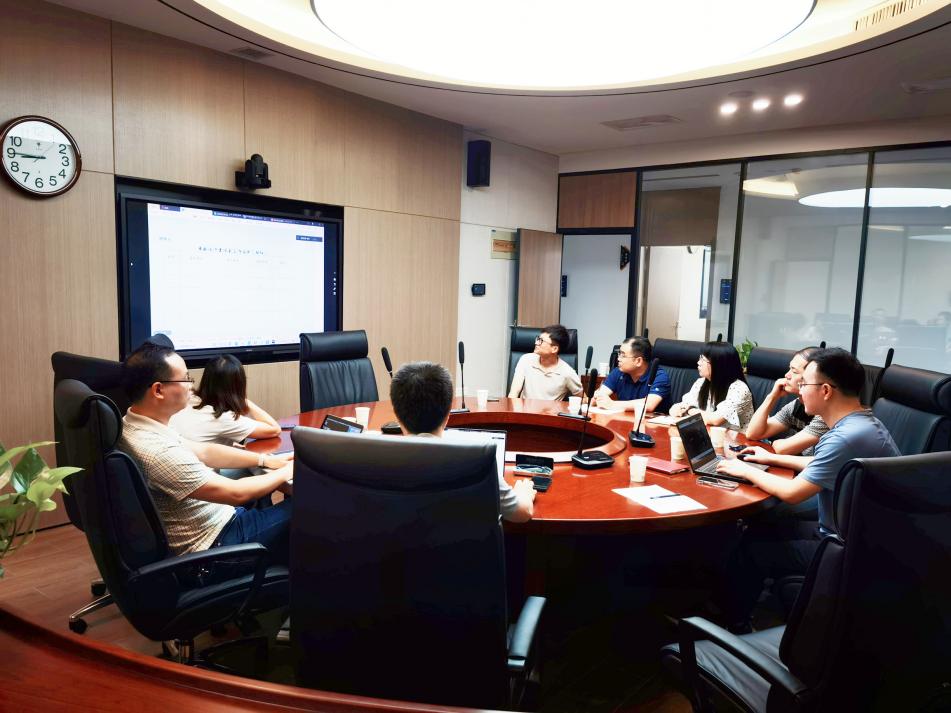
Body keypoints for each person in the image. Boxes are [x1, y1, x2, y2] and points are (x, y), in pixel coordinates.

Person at [715, 348, 900, 629]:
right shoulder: (862, 423)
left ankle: (734, 626)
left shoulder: (844, 437)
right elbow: (824, 463)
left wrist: (743, 470)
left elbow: (793, 493)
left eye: (804, 384)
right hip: (858, 533)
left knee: (752, 552)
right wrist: (770, 458)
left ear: (825, 390)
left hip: (850, 549)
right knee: (761, 528)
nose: (799, 390)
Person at [118, 344, 294, 560]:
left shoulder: (133, 424)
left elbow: (205, 451)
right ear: (158, 390)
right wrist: (289, 470)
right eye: (185, 379)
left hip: (214, 522)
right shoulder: (158, 452)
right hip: (215, 545)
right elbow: (237, 493)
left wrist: (265, 460)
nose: (191, 386)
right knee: (311, 503)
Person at [394, 361, 535, 523]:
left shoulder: (376, 458)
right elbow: (521, 513)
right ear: (448, 414)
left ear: (397, 416)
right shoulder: (478, 457)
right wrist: (524, 493)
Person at [170, 354, 281, 446]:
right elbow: (274, 429)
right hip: (203, 466)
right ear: (239, 385)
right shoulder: (222, 417)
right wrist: (245, 401)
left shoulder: (188, 399)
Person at [744, 346, 828, 458]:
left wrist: (779, 444)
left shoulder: (825, 414)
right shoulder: (797, 405)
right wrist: (772, 397)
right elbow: (752, 434)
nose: (786, 375)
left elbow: (781, 449)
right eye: (789, 369)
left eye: (794, 371)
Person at [669, 341, 754, 431]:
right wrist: (677, 409)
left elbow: (715, 420)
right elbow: (682, 405)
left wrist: (690, 410)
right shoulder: (701, 382)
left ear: (719, 364)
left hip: (738, 438)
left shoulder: (739, 389)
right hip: (709, 435)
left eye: (703, 359)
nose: (698, 362)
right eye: (699, 358)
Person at [594, 336, 671, 413]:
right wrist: (597, 398)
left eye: (623, 355)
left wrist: (612, 404)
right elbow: (599, 396)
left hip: (651, 420)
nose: (618, 359)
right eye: (619, 354)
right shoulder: (619, 372)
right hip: (624, 418)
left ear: (638, 361)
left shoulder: (659, 376)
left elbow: (649, 404)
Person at [508, 324, 583, 401]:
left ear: (554, 349)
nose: (536, 343)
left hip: (550, 409)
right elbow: (514, 393)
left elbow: (583, 398)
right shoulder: (526, 359)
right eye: (538, 339)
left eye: (541, 341)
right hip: (525, 408)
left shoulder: (567, 372)